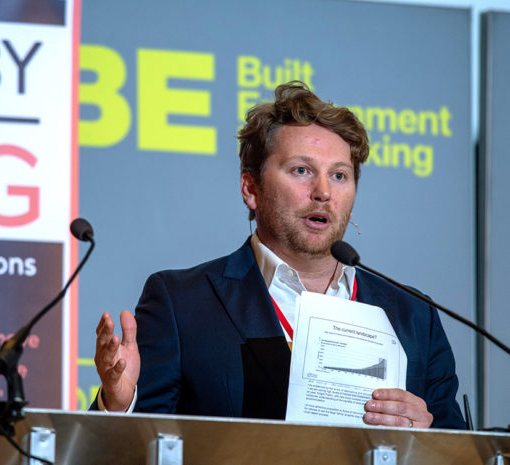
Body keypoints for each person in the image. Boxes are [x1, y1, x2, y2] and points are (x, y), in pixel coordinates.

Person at [92, 81, 466, 429]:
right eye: (301, 170)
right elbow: (136, 449)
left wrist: (429, 441)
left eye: (339, 175)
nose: (323, 192)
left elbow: (462, 450)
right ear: (251, 188)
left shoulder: (414, 316)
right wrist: (119, 406)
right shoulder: (182, 304)